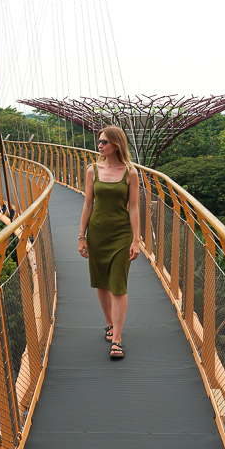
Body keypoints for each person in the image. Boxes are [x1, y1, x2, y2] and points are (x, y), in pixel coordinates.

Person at [78, 126, 140, 360]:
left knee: (118, 285)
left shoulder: (130, 173)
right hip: (97, 233)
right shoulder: (92, 170)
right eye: (99, 141)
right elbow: (87, 204)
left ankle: (117, 340)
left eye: (104, 141)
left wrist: (136, 240)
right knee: (101, 283)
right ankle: (109, 323)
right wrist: (81, 236)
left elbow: (133, 207)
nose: (100, 145)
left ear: (116, 144)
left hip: (121, 235)